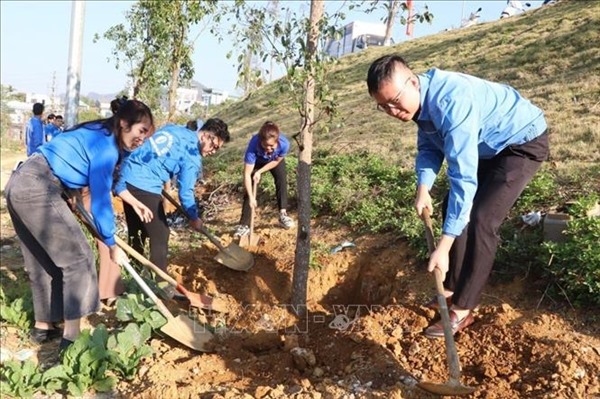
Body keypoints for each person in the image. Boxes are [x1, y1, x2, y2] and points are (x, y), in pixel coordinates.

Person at [366, 55, 549, 338]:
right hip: (487, 144)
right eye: (383, 106)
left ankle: (464, 309)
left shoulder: (452, 103)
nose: (392, 110)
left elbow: (464, 179)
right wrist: (423, 188)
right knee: (450, 204)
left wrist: (444, 245)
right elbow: (429, 148)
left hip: (520, 143)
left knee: (481, 218)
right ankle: (450, 288)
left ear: (413, 83)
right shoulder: (419, 103)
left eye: (395, 101)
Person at [4, 100, 154, 352]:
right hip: (38, 185)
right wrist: (111, 243)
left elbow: (100, 177)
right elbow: (101, 201)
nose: (143, 138)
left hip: (19, 183)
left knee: (43, 261)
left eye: (147, 134)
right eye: (141, 130)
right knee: (79, 259)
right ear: (124, 123)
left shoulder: (100, 131)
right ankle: (71, 338)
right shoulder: (106, 148)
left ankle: (43, 327)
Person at [114, 118, 230, 288]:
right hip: (144, 184)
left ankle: (135, 278)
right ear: (206, 136)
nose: (214, 151)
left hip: (127, 175)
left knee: (138, 231)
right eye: (215, 146)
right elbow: (185, 192)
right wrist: (194, 217)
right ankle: (162, 285)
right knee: (161, 234)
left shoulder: (175, 129)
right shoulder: (192, 156)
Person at [234, 121, 295, 238]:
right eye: (265, 145)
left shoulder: (284, 144)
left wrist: (260, 171)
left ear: (277, 141)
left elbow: (276, 161)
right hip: (257, 161)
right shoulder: (253, 144)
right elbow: (247, 174)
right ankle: (244, 225)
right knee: (250, 188)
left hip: (273, 161)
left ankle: (283, 214)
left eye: (272, 146)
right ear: (260, 141)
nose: (268, 148)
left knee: (281, 180)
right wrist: (252, 197)